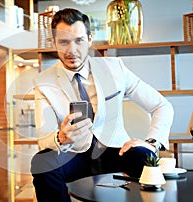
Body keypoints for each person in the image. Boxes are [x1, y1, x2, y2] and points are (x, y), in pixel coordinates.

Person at [30, 8, 174, 202]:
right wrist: (61, 137)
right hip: (73, 155)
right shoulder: (43, 82)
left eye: (79, 40)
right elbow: (44, 138)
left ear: (90, 39)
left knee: (144, 157)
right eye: (63, 42)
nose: (71, 50)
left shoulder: (116, 69)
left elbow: (162, 106)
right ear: (54, 42)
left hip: (116, 150)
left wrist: (152, 143)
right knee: (42, 162)